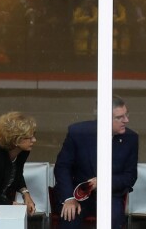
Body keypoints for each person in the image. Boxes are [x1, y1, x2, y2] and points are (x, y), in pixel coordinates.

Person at [54, 96, 138, 229]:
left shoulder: (130, 138)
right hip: (77, 194)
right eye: (119, 117)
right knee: (69, 217)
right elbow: (62, 167)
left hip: (110, 195)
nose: (126, 120)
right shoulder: (78, 133)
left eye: (126, 114)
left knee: (113, 218)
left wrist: (104, 182)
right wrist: (68, 198)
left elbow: (130, 176)